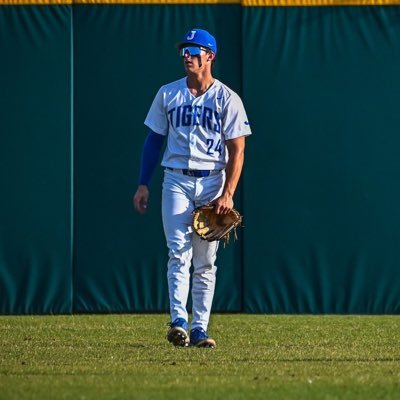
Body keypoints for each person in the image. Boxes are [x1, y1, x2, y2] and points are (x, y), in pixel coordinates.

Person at [133, 28, 251, 348]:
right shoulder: (168, 93)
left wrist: (227, 193)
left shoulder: (227, 98)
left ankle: (200, 328)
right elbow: (154, 140)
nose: (187, 55)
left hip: (213, 180)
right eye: (184, 50)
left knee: (206, 260)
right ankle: (179, 321)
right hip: (176, 180)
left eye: (194, 50)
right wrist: (143, 182)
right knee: (178, 252)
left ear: (210, 56)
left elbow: (237, 149)